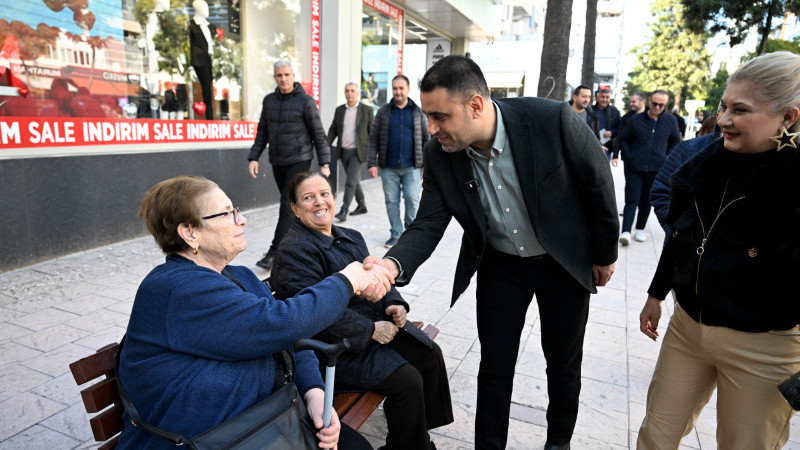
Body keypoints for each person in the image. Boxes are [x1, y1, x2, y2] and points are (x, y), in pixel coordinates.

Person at [366, 55, 619, 450]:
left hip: (562, 263)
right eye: (427, 116)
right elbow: (428, 222)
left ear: (476, 106)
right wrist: (390, 265)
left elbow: (598, 184)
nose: (431, 129)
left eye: (439, 116)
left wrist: (604, 255)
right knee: (495, 365)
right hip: (501, 266)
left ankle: (559, 443)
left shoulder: (550, 119)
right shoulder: (439, 154)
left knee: (563, 363)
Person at [115, 175, 390, 450]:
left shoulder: (240, 276)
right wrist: (347, 281)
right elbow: (283, 323)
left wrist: (314, 393)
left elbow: (290, 338)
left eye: (236, 210)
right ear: (190, 232)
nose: (242, 220)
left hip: (264, 421)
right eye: (227, 213)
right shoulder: (178, 288)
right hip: (209, 438)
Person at [637, 51, 800, 450]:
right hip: (687, 328)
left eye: (740, 110)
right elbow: (682, 234)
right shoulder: (706, 162)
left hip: (765, 346)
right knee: (655, 437)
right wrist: (656, 294)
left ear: (789, 118)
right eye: (723, 106)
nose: (723, 119)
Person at [271, 171, 454, 450]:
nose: (319, 202)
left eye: (325, 194)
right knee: (407, 380)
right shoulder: (294, 250)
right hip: (334, 347)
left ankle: (417, 437)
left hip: (371, 331)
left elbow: (377, 275)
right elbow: (312, 312)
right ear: (295, 209)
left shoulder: (351, 236)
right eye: (308, 198)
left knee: (429, 354)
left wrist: (394, 303)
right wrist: (369, 330)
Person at [248, 59, 331, 270]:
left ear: (293, 76)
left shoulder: (305, 101)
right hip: (277, 161)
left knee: (287, 205)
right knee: (294, 208)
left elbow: (318, 134)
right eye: (279, 75)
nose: (283, 79)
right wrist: (254, 157)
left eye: (286, 75)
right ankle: (304, 244)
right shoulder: (269, 101)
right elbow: (262, 132)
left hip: (299, 159)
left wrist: (325, 162)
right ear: (275, 77)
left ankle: (275, 253)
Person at [367, 74, 429, 248]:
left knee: (412, 198)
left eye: (401, 88)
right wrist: (371, 162)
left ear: (408, 89)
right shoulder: (383, 112)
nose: (398, 91)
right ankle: (395, 234)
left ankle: (410, 233)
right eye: (395, 88)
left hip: (412, 167)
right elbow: (373, 138)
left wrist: (427, 165)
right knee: (391, 201)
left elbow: (427, 139)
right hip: (388, 167)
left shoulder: (417, 112)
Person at [615, 89, 681, 245]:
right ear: (649, 101)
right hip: (634, 167)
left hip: (656, 168)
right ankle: (625, 231)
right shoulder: (636, 120)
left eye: (661, 105)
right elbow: (623, 139)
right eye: (655, 103)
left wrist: (667, 157)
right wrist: (628, 156)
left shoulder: (671, 121)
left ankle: (639, 229)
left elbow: (675, 141)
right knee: (632, 199)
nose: (657, 107)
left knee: (647, 200)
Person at [650, 116, 720, 233]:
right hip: (685, 247)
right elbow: (661, 191)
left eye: (740, 110)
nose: (727, 119)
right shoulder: (690, 149)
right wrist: (678, 232)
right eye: (723, 108)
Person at [327, 82, 374, 222]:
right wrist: (327, 144)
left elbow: (373, 132)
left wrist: (374, 151)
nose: (349, 93)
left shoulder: (367, 110)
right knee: (354, 180)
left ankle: (344, 210)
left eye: (352, 91)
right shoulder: (340, 110)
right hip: (343, 151)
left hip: (358, 152)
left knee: (349, 182)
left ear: (358, 93)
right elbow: (333, 128)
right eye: (347, 91)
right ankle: (362, 205)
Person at [188, 0, 215, 120]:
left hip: (208, 60)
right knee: (203, 91)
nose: (207, 10)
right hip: (198, 62)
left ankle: (210, 118)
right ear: (198, 9)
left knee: (208, 91)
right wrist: (190, 65)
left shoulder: (208, 26)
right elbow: (188, 45)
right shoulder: (191, 25)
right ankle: (208, 119)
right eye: (204, 7)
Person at [613, 92, 646, 163]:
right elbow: (619, 136)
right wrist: (615, 156)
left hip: (647, 158)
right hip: (629, 158)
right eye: (631, 102)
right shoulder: (626, 118)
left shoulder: (651, 117)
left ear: (642, 101)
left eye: (634, 102)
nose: (631, 104)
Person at [593, 88, 622, 161]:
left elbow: (621, 128)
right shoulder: (590, 110)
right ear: (598, 97)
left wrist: (612, 132)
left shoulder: (614, 111)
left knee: (604, 171)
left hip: (606, 148)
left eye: (607, 97)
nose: (604, 99)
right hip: (591, 147)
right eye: (602, 97)